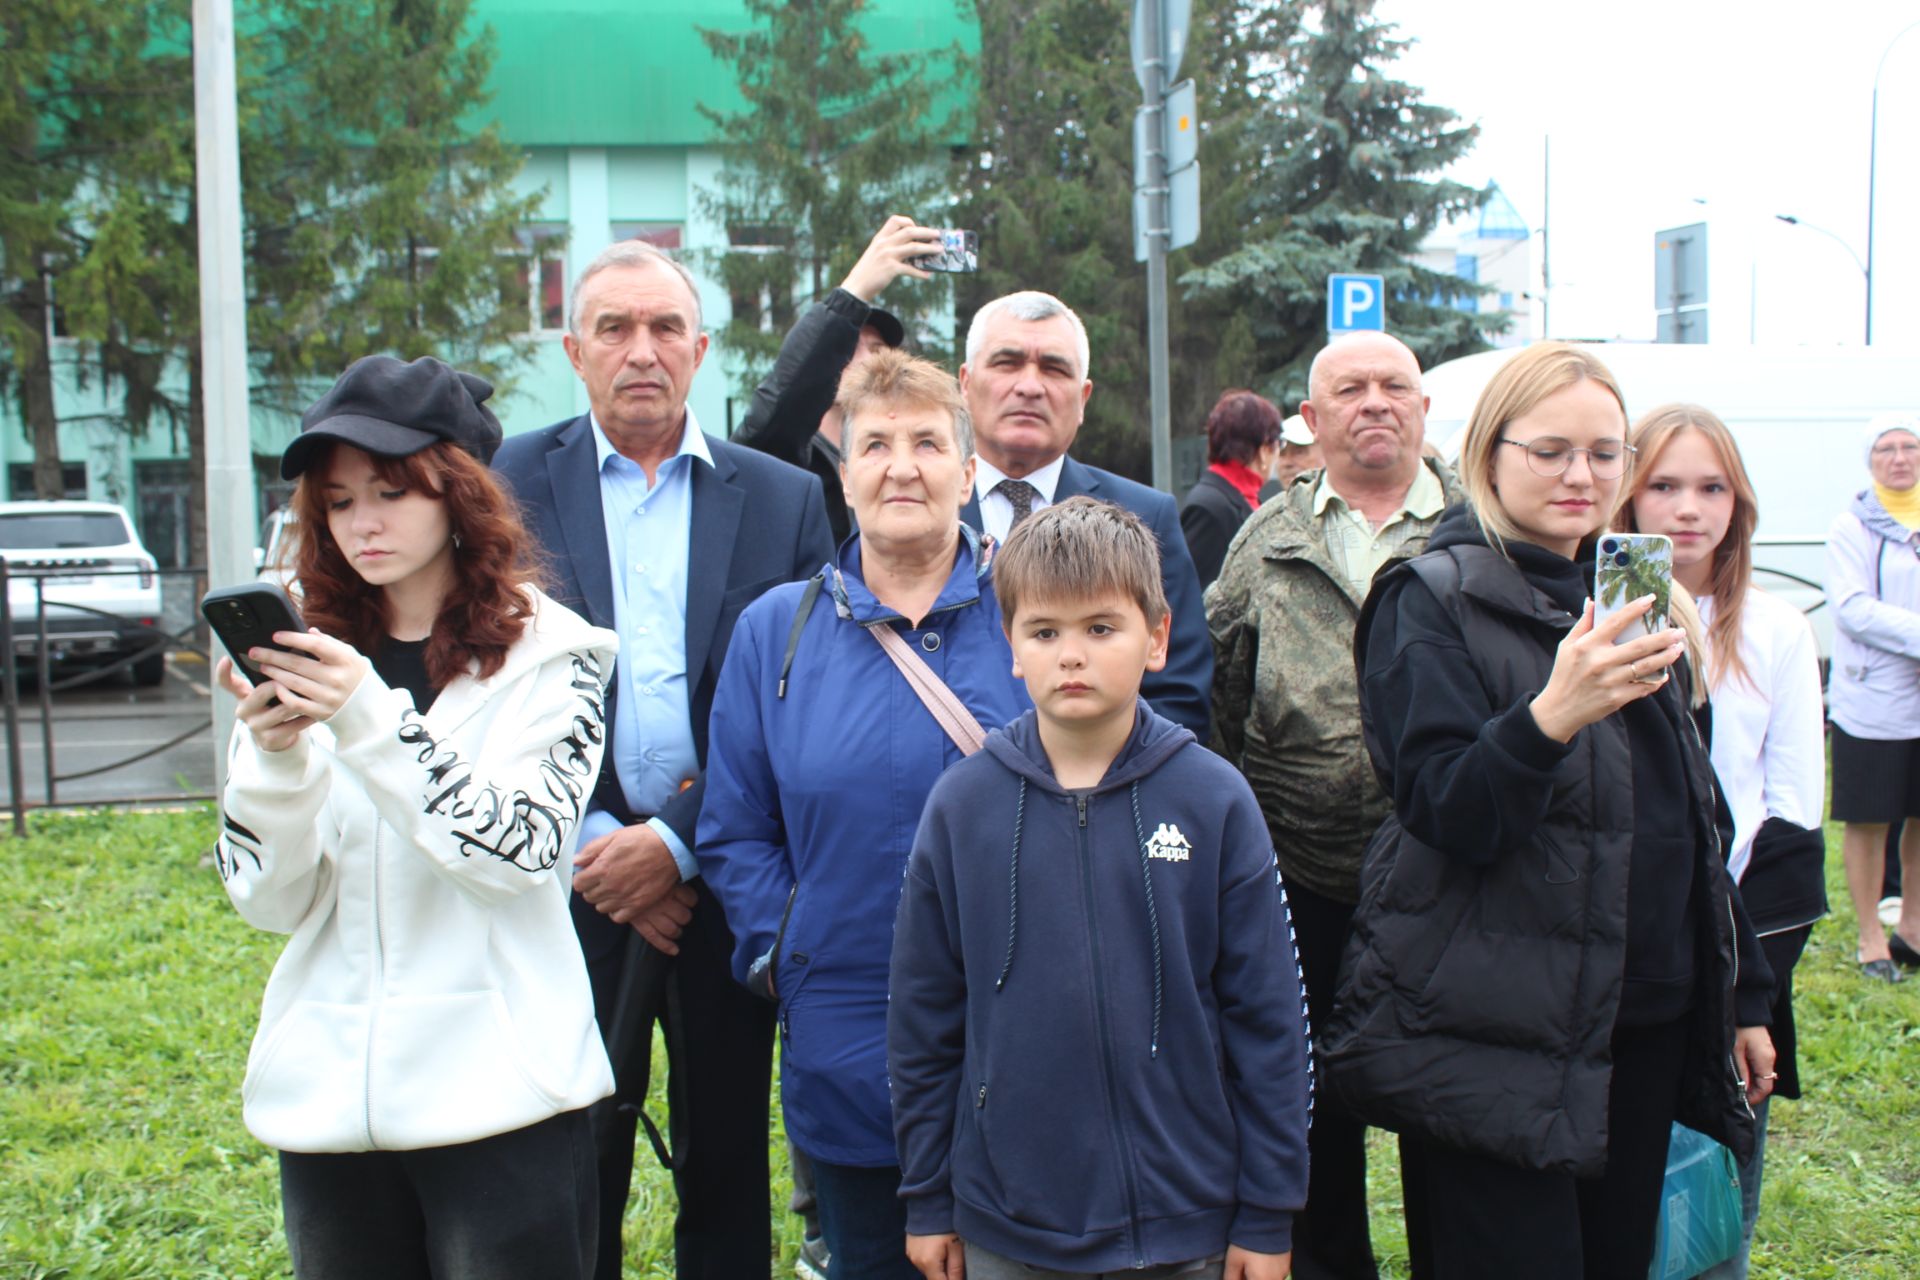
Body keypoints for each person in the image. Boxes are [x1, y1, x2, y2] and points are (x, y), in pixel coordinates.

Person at [1323, 341, 1776, 1279]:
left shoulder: (1634, 593)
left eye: (1606, 454)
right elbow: (1447, 810)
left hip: (1638, 1020)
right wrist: (1549, 716)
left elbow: (1694, 817)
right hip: (1494, 1036)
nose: (1583, 475)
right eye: (1552, 450)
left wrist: (1743, 996)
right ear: (1490, 453)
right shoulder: (1430, 597)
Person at [214, 355, 620, 1278]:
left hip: (503, 1101)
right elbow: (268, 900)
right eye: (340, 500)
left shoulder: (560, 657)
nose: (363, 523)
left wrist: (366, 720)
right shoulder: (310, 653)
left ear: (459, 496)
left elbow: (517, 854)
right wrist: (276, 762)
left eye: (391, 491)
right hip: (331, 1107)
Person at [493, 240, 834, 1280]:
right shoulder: (506, 482)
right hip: (569, 878)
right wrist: (603, 839)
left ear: (700, 347)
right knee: (569, 1150)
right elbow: (491, 673)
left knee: (725, 1153)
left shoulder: (784, 498)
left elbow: (802, 692)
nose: (641, 350)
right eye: (614, 328)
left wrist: (674, 845)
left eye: (663, 328)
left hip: (723, 876)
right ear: (573, 347)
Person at [890, 496, 1312, 1280]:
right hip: (1006, 1223)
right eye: (1044, 632)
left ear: (1156, 639)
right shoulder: (962, 806)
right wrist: (928, 1197)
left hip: (1188, 1221)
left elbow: (1272, 1025)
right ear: (1011, 646)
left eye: (1101, 629)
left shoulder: (1214, 800)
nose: (1071, 655)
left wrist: (1266, 1210)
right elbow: (923, 1020)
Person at [698, 351, 1031, 1280]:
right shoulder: (778, 629)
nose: (900, 465)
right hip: (849, 1032)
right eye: (874, 443)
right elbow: (735, 827)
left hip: (1028, 1025)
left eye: (928, 441)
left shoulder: (1033, 611)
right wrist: (785, 952)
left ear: (969, 474)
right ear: (842, 476)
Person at [1206, 330, 1460, 1280]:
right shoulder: (1265, 539)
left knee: (1449, 1110)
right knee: (1313, 1116)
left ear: (1425, 409)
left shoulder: (1477, 529)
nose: (1376, 402)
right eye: (1349, 389)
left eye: (1396, 385)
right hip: (1301, 877)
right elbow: (1220, 689)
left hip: (1450, 875)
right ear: (1310, 422)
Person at [1618, 403, 1827, 1279]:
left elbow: (1792, 811)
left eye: (1711, 488)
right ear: (1627, 499)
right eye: (1663, 486)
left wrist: (1745, 982)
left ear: (1738, 504)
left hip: (1739, 953)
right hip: (1623, 952)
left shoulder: (1776, 630)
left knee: (1713, 1187)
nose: (1687, 509)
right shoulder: (1599, 621)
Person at [957, 290, 1212, 737]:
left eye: (1054, 369)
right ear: (965, 382)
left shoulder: (1147, 516)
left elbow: (1179, 695)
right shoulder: (918, 513)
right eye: (1007, 363)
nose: (1030, 386)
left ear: (1084, 397)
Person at [732, 215, 942, 545]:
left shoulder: (914, 460)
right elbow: (781, 408)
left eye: (875, 349)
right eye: (846, 346)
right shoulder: (791, 456)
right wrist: (855, 292)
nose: (860, 360)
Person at [1825, 412, 1920, 982]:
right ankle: (1870, 939)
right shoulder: (1851, 527)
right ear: (1871, 461)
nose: (1901, 457)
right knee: (1870, 819)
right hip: (1875, 698)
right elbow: (1852, 608)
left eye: (1910, 447)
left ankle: (1912, 928)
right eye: (1888, 448)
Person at [1180, 389, 1283, 588]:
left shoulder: (1243, 497)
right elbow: (1193, 594)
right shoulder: (1209, 507)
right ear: (1263, 450)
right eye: (1279, 445)